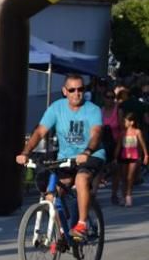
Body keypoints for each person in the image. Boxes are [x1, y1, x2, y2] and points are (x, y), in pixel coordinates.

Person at [17, 74, 105, 241]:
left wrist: (87, 152)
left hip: (91, 155)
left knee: (81, 179)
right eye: (72, 90)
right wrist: (25, 152)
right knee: (52, 194)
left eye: (80, 89)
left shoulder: (93, 110)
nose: (76, 93)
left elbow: (96, 134)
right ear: (65, 91)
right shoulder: (56, 108)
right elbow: (40, 132)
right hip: (66, 158)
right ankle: (63, 233)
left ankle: (82, 224)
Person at [116, 111, 148, 206]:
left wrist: (146, 155)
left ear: (131, 122)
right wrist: (115, 157)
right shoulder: (122, 133)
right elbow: (118, 146)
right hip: (123, 157)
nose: (124, 123)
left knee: (130, 177)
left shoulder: (137, 132)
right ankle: (123, 195)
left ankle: (129, 196)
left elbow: (142, 144)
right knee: (124, 177)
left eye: (125, 121)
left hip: (134, 157)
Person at [100, 86, 122, 204]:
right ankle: (93, 195)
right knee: (98, 168)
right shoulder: (101, 110)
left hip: (115, 143)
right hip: (103, 144)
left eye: (112, 97)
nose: (110, 99)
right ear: (103, 98)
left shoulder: (118, 111)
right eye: (107, 97)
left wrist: (119, 146)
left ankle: (114, 194)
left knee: (116, 170)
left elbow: (122, 129)